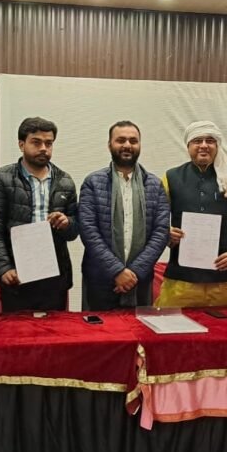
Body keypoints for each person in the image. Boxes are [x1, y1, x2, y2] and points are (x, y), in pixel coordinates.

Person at [155, 120, 227, 308]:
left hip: (226, 280)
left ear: (217, 145)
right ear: (188, 146)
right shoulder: (171, 177)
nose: (204, 145)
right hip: (181, 281)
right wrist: (166, 232)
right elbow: (156, 218)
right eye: (197, 141)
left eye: (210, 141)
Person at [0, 117, 78, 311]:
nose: (43, 148)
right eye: (36, 142)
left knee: (54, 328)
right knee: (16, 329)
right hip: (17, 273)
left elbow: (74, 231)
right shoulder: (1, 178)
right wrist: (3, 268)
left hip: (54, 276)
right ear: (21, 144)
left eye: (48, 143)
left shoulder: (65, 181)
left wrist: (67, 223)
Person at [79, 121, 169, 310]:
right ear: (109, 145)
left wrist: (134, 272)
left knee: (138, 329)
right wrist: (117, 271)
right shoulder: (93, 182)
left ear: (139, 145)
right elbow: (88, 231)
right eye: (121, 140)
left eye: (133, 141)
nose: (127, 145)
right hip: (100, 280)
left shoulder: (154, 185)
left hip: (140, 280)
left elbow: (161, 232)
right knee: (99, 329)